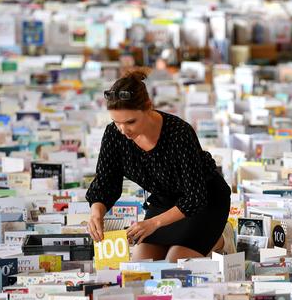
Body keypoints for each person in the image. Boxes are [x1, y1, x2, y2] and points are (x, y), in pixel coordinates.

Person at [85, 69, 232, 262]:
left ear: (148, 107)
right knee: (141, 264)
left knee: (176, 261)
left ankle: (220, 240)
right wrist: (96, 212)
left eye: (130, 121)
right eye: (116, 122)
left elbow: (195, 197)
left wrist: (154, 223)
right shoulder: (114, 134)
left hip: (204, 201)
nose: (123, 130)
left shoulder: (179, 133)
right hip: (164, 201)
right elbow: (106, 182)